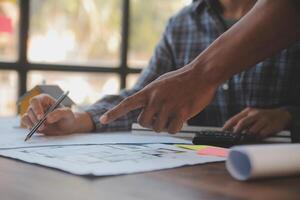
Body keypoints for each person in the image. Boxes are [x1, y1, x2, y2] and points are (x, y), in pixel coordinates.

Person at [22, 0, 300, 140]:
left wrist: (288, 116)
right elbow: (143, 96)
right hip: (202, 175)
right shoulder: (180, 24)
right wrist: (82, 119)